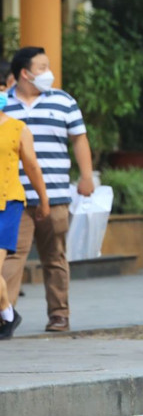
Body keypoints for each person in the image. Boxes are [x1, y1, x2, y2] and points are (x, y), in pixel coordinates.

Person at [1, 47, 95, 332]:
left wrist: (87, 176)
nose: (48, 73)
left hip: (54, 194)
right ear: (24, 73)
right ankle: (6, 314)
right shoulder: (5, 102)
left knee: (54, 255)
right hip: (14, 197)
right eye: (42, 67)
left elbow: (79, 139)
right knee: (11, 256)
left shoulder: (63, 101)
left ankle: (59, 314)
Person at [0, 85, 50, 339]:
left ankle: (7, 315)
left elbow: (32, 167)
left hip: (8, 203)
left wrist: (43, 200)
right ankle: (8, 313)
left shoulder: (18, 129)